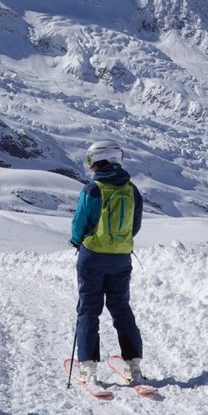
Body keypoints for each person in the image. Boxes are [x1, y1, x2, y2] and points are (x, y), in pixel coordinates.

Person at [69, 140, 145, 384]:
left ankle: (88, 367)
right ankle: (134, 365)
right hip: (121, 258)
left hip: (92, 257)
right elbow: (135, 225)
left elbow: (80, 222)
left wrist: (76, 241)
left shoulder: (94, 189)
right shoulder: (131, 189)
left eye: (91, 159)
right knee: (121, 308)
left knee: (89, 310)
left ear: (99, 160)